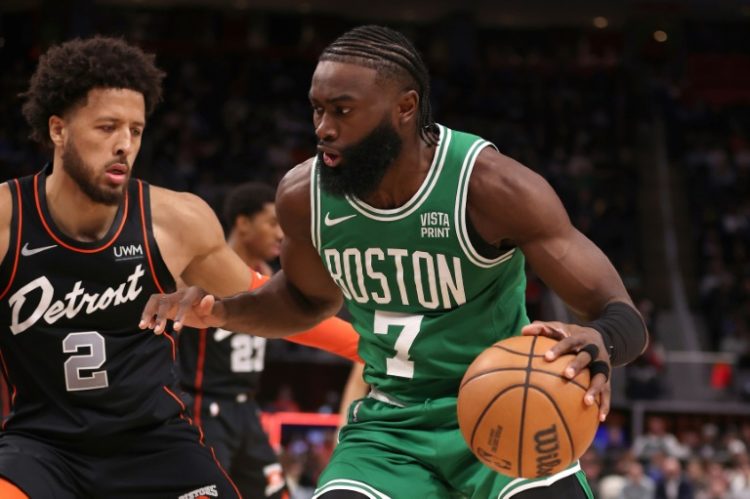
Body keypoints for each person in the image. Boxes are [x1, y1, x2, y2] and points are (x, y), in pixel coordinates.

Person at [141, 25, 649, 498]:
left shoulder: (490, 187)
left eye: (342, 111)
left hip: (511, 405)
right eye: (317, 110)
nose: (323, 128)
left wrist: (600, 340)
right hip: (389, 428)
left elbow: (620, 313)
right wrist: (225, 311)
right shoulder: (303, 195)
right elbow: (305, 301)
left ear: (405, 108)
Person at [0, 36, 361, 498]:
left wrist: (366, 346)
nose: (123, 145)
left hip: (155, 446)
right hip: (41, 449)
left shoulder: (176, 221)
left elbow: (267, 303)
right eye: (106, 127)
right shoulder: (10, 221)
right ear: (58, 130)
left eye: (135, 129)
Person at [178, 181, 367, 498]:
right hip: (204, 407)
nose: (281, 233)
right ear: (243, 223)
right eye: (271, 223)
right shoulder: (200, 273)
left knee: (280, 493)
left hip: (248, 408)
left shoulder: (268, 277)